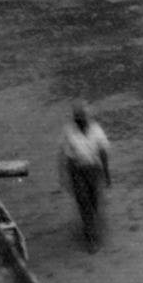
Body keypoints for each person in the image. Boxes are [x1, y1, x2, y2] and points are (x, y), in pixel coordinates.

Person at [59, 103, 111, 251]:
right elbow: (67, 157)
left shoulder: (96, 130)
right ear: (75, 120)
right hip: (77, 171)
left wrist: (107, 174)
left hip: (93, 169)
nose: (80, 122)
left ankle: (92, 228)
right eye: (78, 119)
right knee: (84, 203)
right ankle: (91, 238)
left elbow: (103, 152)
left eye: (83, 119)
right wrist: (66, 177)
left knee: (94, 202)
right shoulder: (69, 132)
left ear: (87, 119)